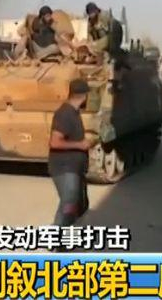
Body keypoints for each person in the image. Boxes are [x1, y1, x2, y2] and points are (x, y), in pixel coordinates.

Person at [48, 78, 94, 245]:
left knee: (77, 205)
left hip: (74, 168)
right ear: (83, 96)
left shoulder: (73, 112)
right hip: (65, 168)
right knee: (68, 204)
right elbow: (54, 142)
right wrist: (80, 145)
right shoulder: (65, 113)